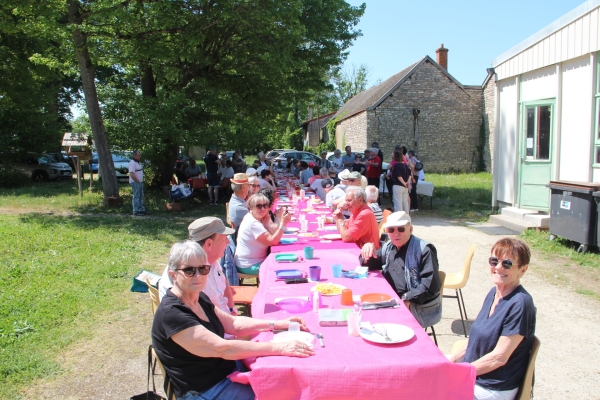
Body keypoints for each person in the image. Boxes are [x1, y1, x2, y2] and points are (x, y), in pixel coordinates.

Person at [152, 241, 315, 400]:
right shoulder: (172, 314)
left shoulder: (198, 297)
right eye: (189, 271)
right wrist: (279, 348)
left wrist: (278, 324)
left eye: (202, 269)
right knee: (277, 394)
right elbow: (223, 349)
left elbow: (233, 324)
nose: (198, 276)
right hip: (206, 389)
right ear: (173, 275)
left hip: (227, 371)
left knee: (284, 384)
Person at [450, 238, 536, 400]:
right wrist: (451, 363)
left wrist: (459, 373)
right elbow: (474, 341)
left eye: (507, 264)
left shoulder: (521, 304)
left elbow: (499, 358)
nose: (498, 267)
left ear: (523, 270)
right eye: (494, 261)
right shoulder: (493, 293)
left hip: (493, 386)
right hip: (476, 375)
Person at [360, 211, 442, 327]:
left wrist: (406, 299)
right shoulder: (389, 247)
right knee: (361, 314)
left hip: (415, 306)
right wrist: (368, 249)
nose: (396, 233)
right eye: (391, 230)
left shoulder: (424, 250)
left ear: (411, 229)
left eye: (401, 229)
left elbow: (429, 286)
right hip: (390, 301)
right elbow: (370, 263)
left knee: (376, 323)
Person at [158, 218, 237, 317]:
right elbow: (200, 315)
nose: (228, 242)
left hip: (223, 319)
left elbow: (223, 281)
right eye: (224, 239)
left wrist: (231, 307)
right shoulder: (188, 274)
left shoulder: (212, 261)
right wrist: (232, 324)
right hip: (208, 326)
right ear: (209, 244)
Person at [234, 193, 292, 275]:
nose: (263, 209)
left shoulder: (256, 217)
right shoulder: (253, 223)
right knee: (282, 268)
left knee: (286, 262)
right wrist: (283, 224)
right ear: (251, 207)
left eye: (265, 205)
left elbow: (273, 235)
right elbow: (273, 241)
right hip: (249, 265)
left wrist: (267, 224)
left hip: (255, 261)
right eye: (259, 206)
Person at [129, 150, 148, 216]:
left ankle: (142, 209)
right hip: (135, 182)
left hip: (139, 182)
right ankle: (135, 211)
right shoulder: (132, 163)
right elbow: (131, 173)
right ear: (135, 156)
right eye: (139, 155)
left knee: (141, 196)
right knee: (136, 196)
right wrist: (137, 181)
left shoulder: (137, 162)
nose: (140, 156)